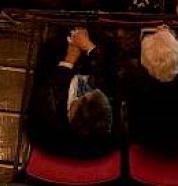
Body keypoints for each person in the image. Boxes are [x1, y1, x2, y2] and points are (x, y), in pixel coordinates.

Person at [28, 27, 116, 158]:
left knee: (51, 46)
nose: (85, 91)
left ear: (70, 113)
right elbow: (115, 82)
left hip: (60, 62)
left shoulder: (46, 125)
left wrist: (69, 58)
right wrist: (90, 48)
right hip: (96, 53)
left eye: (83, 96)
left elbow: (44, 86)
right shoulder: (111, 134)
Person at [121, 26, 178, 150]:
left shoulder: (136, 76)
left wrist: (158, 40)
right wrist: (174, 40)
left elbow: (131, 56)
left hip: (145, 141)